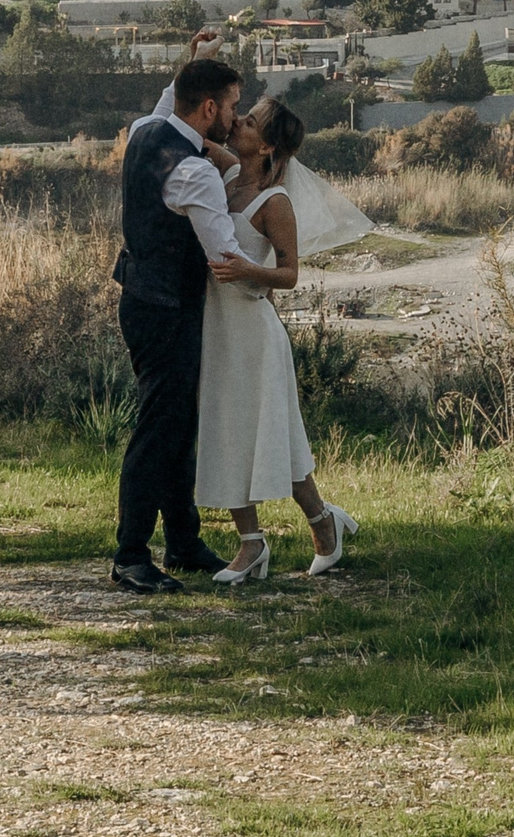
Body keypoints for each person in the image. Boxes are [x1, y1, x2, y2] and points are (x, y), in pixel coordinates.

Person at [196, 97, 361, 582]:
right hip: (218, 327)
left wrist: (249, 269)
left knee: (276, 438)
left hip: (254, 331)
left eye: (247, 122)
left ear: (265, 145)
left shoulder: (276, 202)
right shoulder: (226, 173)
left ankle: (321, 523)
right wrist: (194, 65)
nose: (237, 122)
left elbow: (288, 273)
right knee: (227, 433)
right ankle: (254, 545)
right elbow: (185, 125)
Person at [108, 46, 248, 593]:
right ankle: (130, 554)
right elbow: (224, 256)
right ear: (210, 109)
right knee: (159, 428)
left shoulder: (147, 129)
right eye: (234, 106)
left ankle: (184, 541)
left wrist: (196, 59)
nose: (238, 117)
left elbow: (170, 99)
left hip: (141, 298)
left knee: (176, 426)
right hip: (168, 309)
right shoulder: (195, 171)